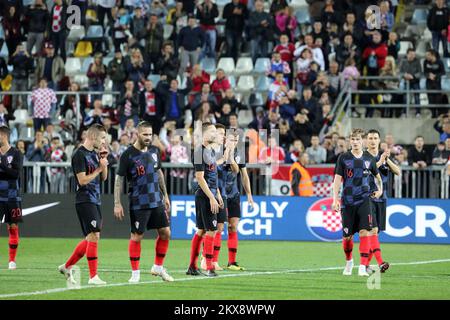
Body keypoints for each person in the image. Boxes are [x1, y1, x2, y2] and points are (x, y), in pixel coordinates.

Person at [114, 121, 173, 283]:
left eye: (150, 134)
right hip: (139, 202)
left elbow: (159, 173)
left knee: (165, 233)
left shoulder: (154, 150)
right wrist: (117, 203)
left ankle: (158, 267)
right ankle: (135, 273)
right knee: (137, 236)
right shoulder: (128, 155)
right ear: (137, 134)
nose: (148, 137)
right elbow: (119, 180)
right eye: (145, 134)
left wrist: (165, 195)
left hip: (156, 200)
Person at [58, 124, 109, 285]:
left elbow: (104, 178)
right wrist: (98, 170)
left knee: (91, 237)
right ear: (93, 137)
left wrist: (103, 164)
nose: (103, 142)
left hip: (96, 199)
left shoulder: (94, 154)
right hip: (84, 199)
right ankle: (93, 276)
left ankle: (66, 266)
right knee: (94, 235)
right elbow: (82, 180)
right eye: (102, 138)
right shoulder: (79, 154)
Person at [332, 128, 384, 277]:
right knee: (347, 237)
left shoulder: (369, 159)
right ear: (350, 141)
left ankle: (362, 267)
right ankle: (349, 261)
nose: (355, 142)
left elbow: (378, 177)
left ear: (363, 141)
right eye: (352, 139)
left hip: (364, 200)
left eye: (358, 139)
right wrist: (335, 199)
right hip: (347, 201)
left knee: (364, 232)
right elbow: (337, 180)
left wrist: (379, 190)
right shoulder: (343, 158)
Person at [187, 122, 224, 277]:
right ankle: (209, 267)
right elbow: (200, 178)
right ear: (204, 134)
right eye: (212, 132)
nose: (215, 134)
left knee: (202, 231)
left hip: (210, 195)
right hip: (204, 196)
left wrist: (218, 195)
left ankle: (192, 267)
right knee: (211, 230)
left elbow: (212, 177)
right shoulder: (199, 152)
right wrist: (211, 198)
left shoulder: (210, 152)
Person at [366, 129, 400, 271]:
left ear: (379, 140)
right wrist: (379, 162)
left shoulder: (382, 157)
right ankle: (380, 262)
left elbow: (397, 171)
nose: (373, 140)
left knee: (375, 233)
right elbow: (366, 172)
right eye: (370, 138)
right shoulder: (363, 157)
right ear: (366, 141)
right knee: (372, 230)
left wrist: (387, 160)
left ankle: (366, 265)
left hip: (382, 198)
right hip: (368, 197)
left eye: (375, 138)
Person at [0, 126, 24, 270]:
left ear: (4, 136)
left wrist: (2, 165)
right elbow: (9, 172)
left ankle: (12, 261)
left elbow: (15, 174)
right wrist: (6, 170)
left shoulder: (16, 153)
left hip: (12, 197)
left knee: (13, 226)